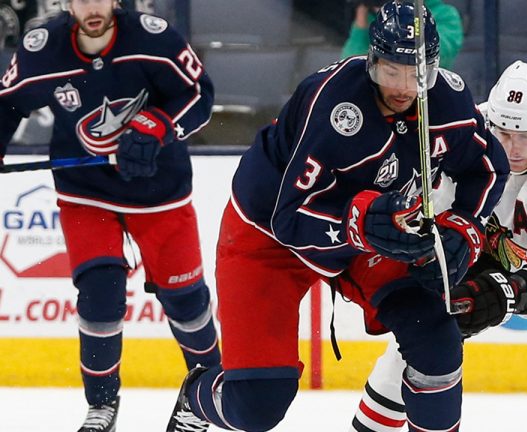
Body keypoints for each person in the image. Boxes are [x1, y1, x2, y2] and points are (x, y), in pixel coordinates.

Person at [165, 2, 508, 431]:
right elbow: (289, 219)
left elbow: (489, 167)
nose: (404, 87)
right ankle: (198, 396)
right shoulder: (331, 104)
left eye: (418, 73)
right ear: (371, 61)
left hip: (376, 231)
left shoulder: (449, 103)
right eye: (391, 71)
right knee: (256, 405)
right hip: (268, 235)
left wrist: (465, 226)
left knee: (437, 340)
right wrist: (360, 224)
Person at [348, 61, 527, 432]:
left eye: (525, 135)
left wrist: (505, 294)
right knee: (421, 337)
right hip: (476, 241)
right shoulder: (464, 130)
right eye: (503, 131)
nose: (510, 146)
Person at [0, 1, 221, 431]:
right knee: (99, 297)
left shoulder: (154, 39)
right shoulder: (41, 49)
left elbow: (198, 95)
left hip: (160, 190)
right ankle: (102, 405)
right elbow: (7, 105)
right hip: (87, 193)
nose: (92, 6)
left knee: (186, 301)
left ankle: (206, 395)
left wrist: (157, 126)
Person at [340, 0, 463, 69]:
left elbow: (438, 55)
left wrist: (400, 19)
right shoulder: (372, 19)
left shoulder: (445, 14)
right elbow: (350, 63)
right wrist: (362, 12)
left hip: (426, 94)